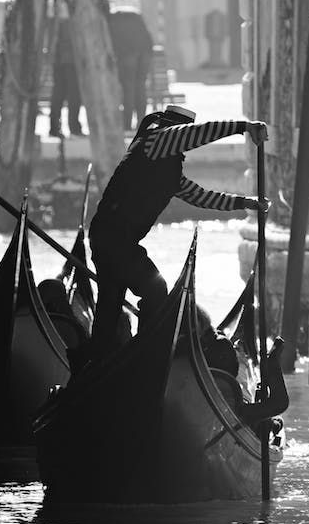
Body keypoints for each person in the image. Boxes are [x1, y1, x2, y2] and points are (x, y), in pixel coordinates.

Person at [88, 105, 270, 359]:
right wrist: (243, 127)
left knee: (109, 305)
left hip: (113, 239)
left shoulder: (168, 170)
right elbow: (198, 134)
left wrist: (244, 203)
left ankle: (98, 359)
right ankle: (144, 354)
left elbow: (202, 198)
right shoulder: (154, 142)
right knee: (154, 289)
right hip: (114, 239)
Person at [107, 9, 154, 131]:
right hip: (144, 52)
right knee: (140, 87)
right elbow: (148, 39)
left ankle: (127, 124)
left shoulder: (112, 20)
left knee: (128, 88)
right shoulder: (136, 17)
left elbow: (111, 42)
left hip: (127, 53)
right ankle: (142, 123)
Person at [49, 17, 83, 138]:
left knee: (58, 95)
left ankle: (54, 128)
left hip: (59, 60)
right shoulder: (73, 21)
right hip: (71, 62)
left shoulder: (56, 22)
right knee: (74, 96)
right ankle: (74, 127)